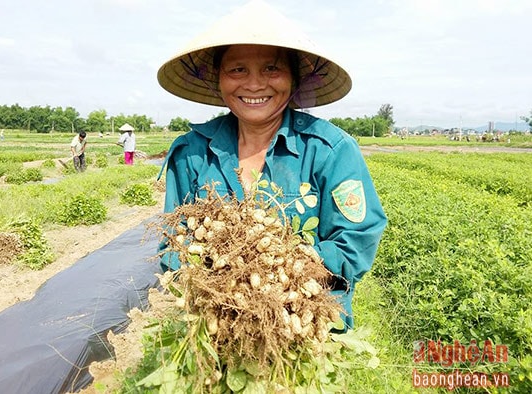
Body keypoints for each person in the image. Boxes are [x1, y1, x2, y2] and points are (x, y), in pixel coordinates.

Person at [156, 0, 387, 330]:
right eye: (237, 69)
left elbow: (355, 242)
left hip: (308, 335)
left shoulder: (330, 150)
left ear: (294, 79)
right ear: (219, 79)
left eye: (271, 69)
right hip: (214, 331)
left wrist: (279, 272)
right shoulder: (191, 153)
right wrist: (222, 286)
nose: (253, 84)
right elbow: (172, 247)